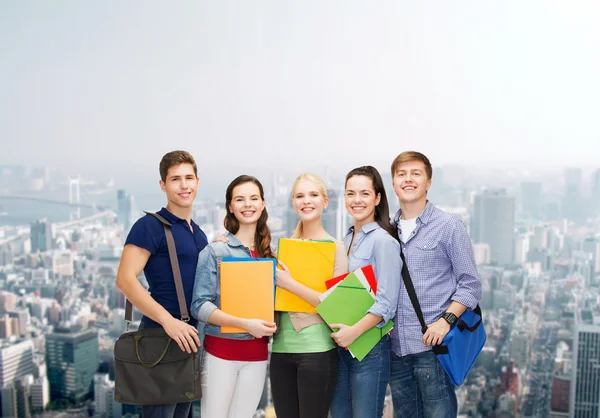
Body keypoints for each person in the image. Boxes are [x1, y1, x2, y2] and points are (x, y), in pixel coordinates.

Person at [388, 151, 482, 418]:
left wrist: (445, 321)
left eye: (416, 174)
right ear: (393, 183)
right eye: (401, 174)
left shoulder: (449, 226)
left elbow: (471, 285)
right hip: (396, 351)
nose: (408, 179)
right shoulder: (386, 231)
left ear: (428, 182)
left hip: (433, 350)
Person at [116, 150, 208, 418]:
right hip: (161, 335)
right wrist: (169, 321)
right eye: (175, 179)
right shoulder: (149, 226)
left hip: (191, 338)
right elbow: (124, 279)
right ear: (163, 185)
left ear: (197, 182)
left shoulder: (198, 233)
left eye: (189, 178)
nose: (184, 185)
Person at [190, 175, 277, 418]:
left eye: (253, 198)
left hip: (258, 357)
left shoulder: (272, 254)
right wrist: (244, 324)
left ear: (262, 204)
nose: (247, 205)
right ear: (230, 206)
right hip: (221, 355)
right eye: (240, 199)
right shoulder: (216, 251)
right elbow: (199, 305)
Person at [271, 173, 348, 418]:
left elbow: (335, 306)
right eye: (300, 196)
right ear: (293, 203)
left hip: (317, 351)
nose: (307, 201)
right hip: (281, 351)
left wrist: (290, 284)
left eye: (313, 195)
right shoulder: (281, 249)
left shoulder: (336, 248)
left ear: (325, 202)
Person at [329, 166, 402, 418]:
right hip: (340, 346)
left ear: (377, 198)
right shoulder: (345, 239)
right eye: (350, 194)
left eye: (364, 193)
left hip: (370, 349)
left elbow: (386, 303)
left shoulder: (384, 241)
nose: (356, 200)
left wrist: (354, 332)